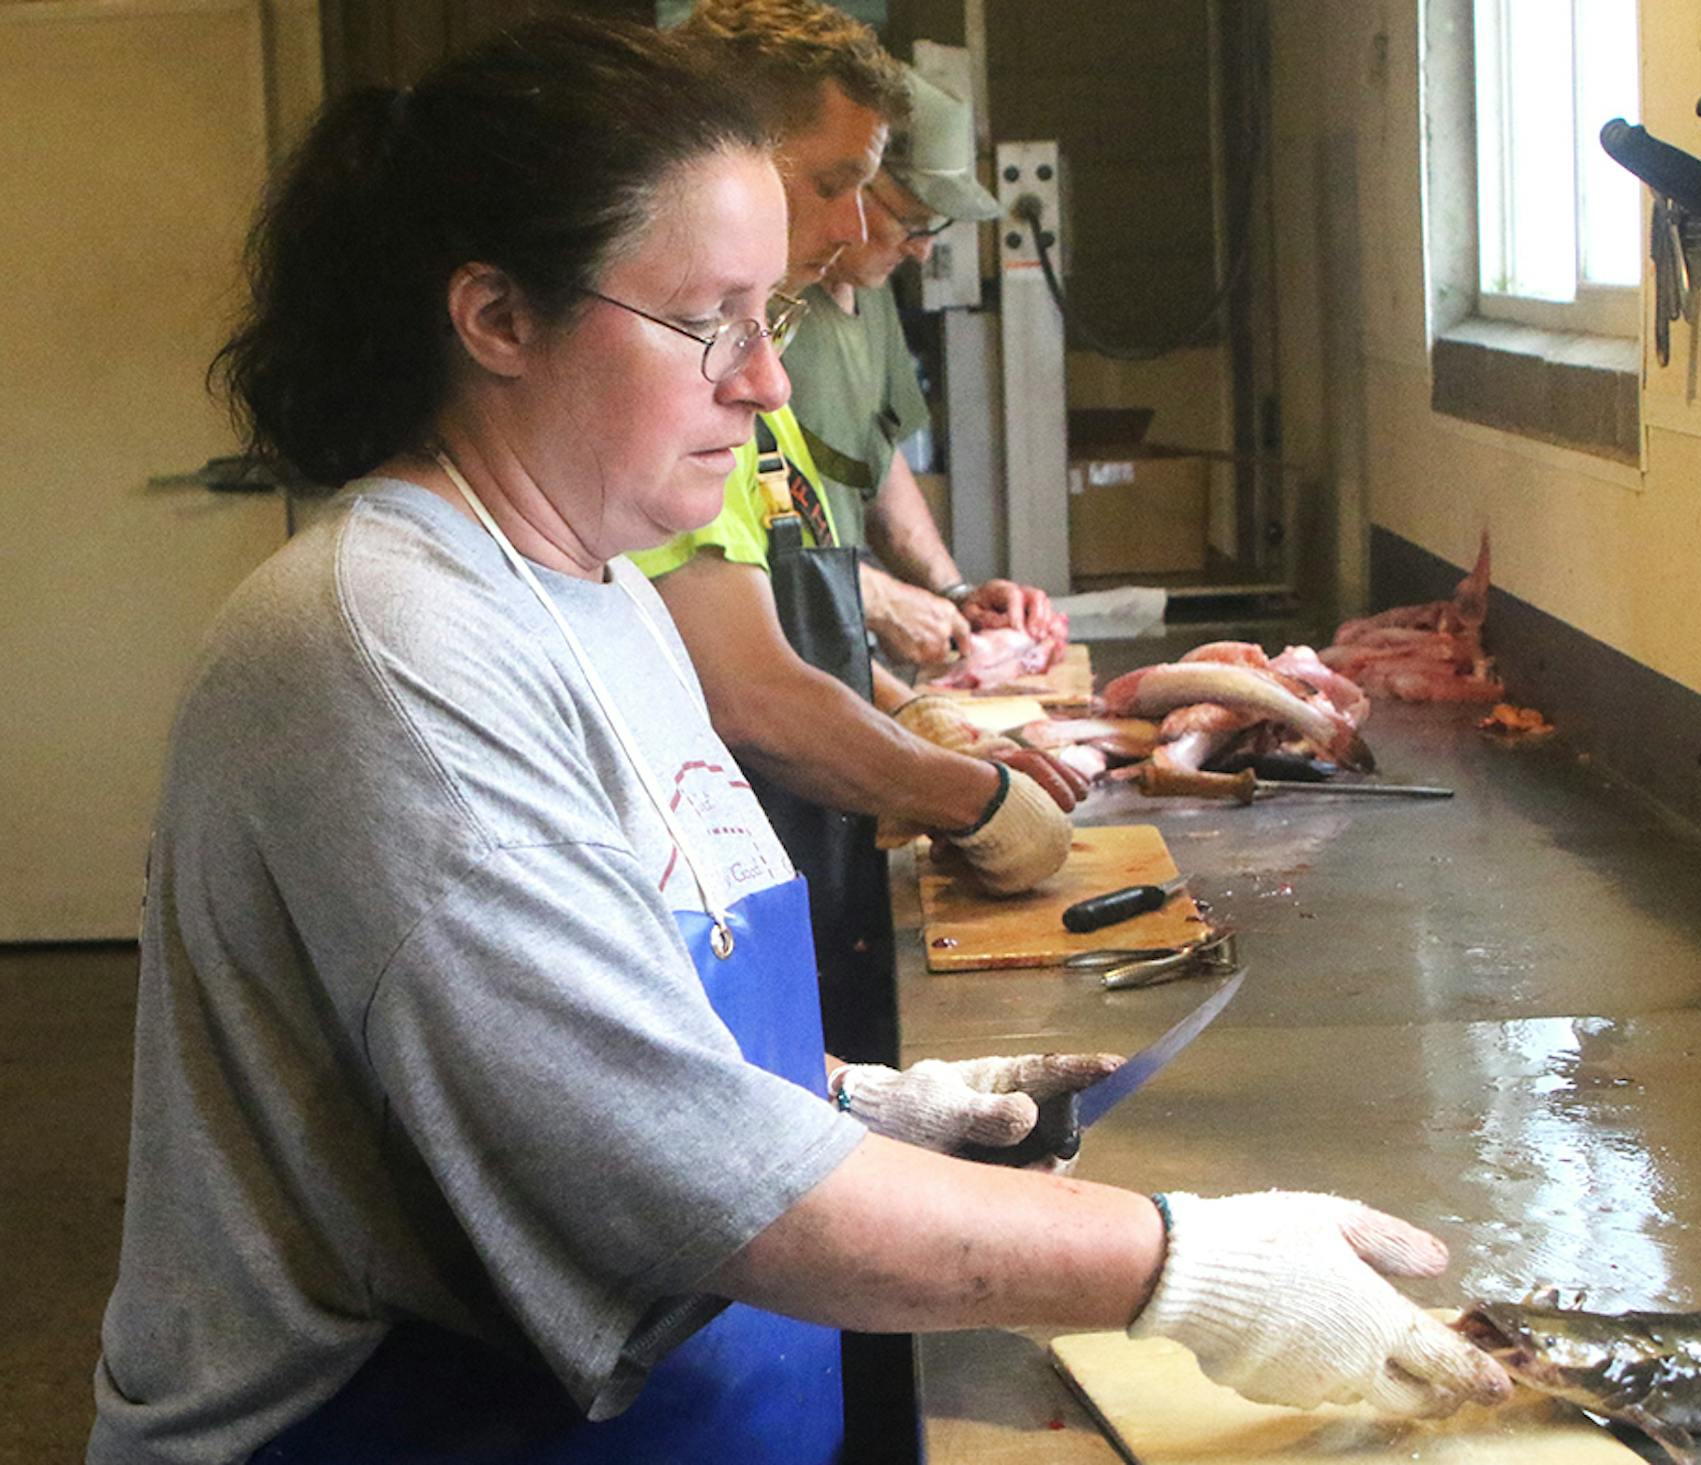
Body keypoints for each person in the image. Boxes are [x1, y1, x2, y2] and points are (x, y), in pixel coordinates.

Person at [87, 16, 1511, 1464]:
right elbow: (672, 1174)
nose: (767, 383)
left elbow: (615, 1034)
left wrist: (880, 1103)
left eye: (774, 315)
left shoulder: (598, 596)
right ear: (499, 318)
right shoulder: (387, 643)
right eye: (714, 319)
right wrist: (1188, 1271)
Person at [646, 0, 1083, 1080]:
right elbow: (748, 691)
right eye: (832, 183)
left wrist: (928, 730)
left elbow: (808, 617)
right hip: (720, 897)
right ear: (721, 163)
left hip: (815, 860)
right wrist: (970, 797)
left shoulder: (757, 370)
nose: (852, 232)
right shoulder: (658, 390)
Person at [780, 64, 1059, 668]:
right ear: (849, 183)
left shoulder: (872, 297)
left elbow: (875, 464)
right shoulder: (760, 307)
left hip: (835, 645)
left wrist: (952, 594)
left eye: (936, 226)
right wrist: (873, 596)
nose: (923, 248)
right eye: (910, 220)